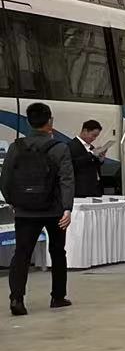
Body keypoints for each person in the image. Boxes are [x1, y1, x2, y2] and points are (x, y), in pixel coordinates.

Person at [2, 102, 75, 316]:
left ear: (28, 121)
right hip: (54, 210)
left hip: (25, 210)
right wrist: (67, 208)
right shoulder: (60, 148)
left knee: (22, 253)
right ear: (50, 121)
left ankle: (17, 298)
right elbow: (66, 180)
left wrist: (13, 201)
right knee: (58, 251)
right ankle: (58, 297)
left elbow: (5, 178)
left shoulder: (16, 147)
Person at [68, 120, 107, 200]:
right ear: (85, 131)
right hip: (82, 190)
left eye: (96, 136)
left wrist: (101, 159)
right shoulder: (72, 145)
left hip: (95, 188)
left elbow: (93, 166)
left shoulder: (91, 147)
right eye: (93, 135)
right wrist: (91, 154)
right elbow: (74, 164)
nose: (94, 138)